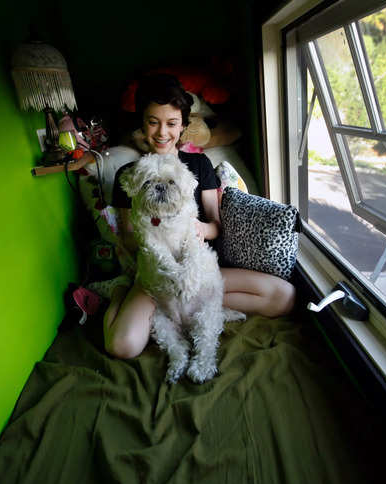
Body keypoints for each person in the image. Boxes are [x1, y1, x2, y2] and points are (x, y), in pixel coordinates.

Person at [103, 74, 295, 359]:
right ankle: (119, 294)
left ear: (182, 125)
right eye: (153, 122)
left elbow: (216, 226)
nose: (162, 132)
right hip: (155, 277)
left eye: (171, 123)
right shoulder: (131, 175)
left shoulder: (198, 164)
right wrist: (160, 247)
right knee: (121, 346)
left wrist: (197, 230)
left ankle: (199, 307)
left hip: (201, 270)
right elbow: (130, 238)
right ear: (142, 124)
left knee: (284, 297)